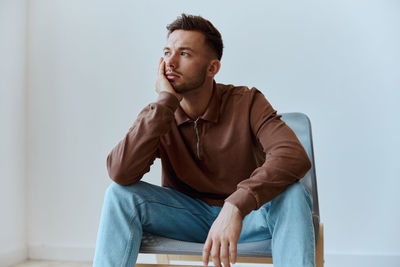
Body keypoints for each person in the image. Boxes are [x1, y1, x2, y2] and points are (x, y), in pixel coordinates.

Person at [93, 14, 315, 267]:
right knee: (119, 195)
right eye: (167, 52)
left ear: (212, 68)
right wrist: (165, 103)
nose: (170, 62)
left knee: (294, 194)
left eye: (184, 54)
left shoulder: (247, 102)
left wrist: (235, 205)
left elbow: (293, 156)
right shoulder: (159, 114)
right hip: (185, 218)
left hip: (247, 218)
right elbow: (120, 173)